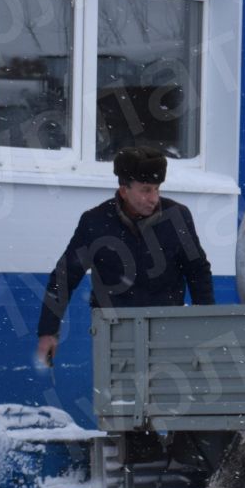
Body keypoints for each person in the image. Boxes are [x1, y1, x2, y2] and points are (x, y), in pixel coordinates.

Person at [35, 146, 214, 365]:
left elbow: (198, 271)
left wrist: (205, 325)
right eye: (146, 190)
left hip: (167, 329)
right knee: (117, 397)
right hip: (113, 332)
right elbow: (64, 278)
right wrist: (48, 331)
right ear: (123, 190)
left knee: (166, 394)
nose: (154, 198)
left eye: (157, 189)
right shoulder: (95, 223)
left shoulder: (177, 217)